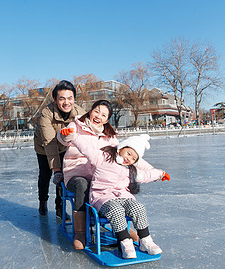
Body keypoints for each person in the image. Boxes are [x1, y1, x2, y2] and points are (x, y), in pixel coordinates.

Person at [59, 131, 170, 259]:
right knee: (116, 210)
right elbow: (86, 148)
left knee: (138, 208)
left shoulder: (130, 170)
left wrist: (160, 174)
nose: (129, 158)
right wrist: (74, 136)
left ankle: (145, 240)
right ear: (121, 148)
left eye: (133, 158)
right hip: (103, 198)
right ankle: (125, 241)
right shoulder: (102, 158)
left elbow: (145, 175)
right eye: (128, 153)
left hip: (123, 196)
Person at [57, 100, 151, 249]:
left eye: (103, 115)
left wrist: (153, 171)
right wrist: (65, 135)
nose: (98, 116)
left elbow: (127, 155)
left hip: (99, 174)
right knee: (83, 184)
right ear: (90, 111)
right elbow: (63, 139)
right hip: (77, 171)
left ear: (106, 120)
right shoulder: (76, 125)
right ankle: (81, 231)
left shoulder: (110, 136)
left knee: (119, 184)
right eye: (96, 111)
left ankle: (124, 228)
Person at [33, 80, 86, 219]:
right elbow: (49, 143)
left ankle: (59, 208)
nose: (66, 102)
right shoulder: (47, 113)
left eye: (70, 98)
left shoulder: (80, 113)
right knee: (46, 174)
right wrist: (56, 169)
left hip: (64, 146)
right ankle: (43, 201)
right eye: (62, 98)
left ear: (74, 98)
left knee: (64, 175)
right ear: (55, 100)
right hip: (44, 146)